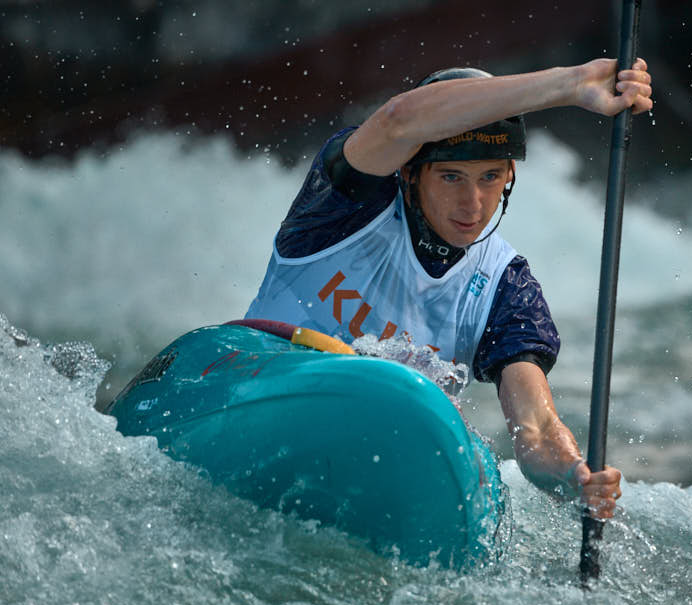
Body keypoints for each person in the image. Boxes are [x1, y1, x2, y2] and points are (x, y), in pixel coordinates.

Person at [246, 58, 653, 520]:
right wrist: (571, 84)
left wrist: (574, 476)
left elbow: (536, 429)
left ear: (509, 179)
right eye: (451, 176)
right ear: (410, 172)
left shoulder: (506, 288)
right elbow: (401, 119)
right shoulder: (348, 204)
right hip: (266, 394)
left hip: (371, 460)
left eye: (489, 177)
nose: (472, 203)